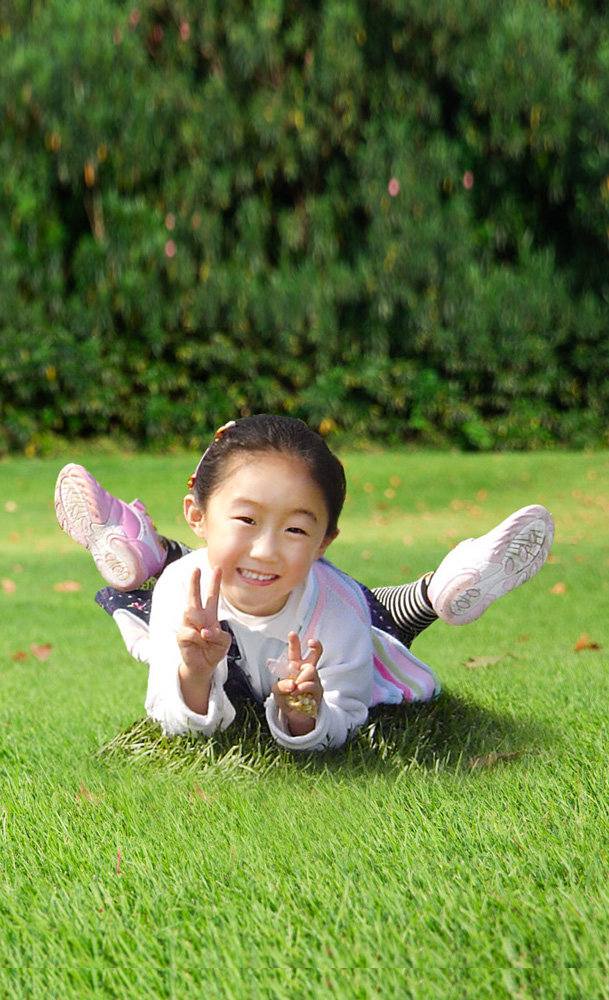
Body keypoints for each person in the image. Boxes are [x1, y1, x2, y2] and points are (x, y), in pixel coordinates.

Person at [55, 415, 554, 751]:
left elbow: (346, 717)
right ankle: (435, 588)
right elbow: (171, 721)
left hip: (348, 616)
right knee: (375, 611)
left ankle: (443, 587)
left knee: (380, 624)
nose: (266, 550)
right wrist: (193, 673)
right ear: (197, 515)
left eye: (295, 530)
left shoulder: (337, 615)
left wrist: (305, 715)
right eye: (246, 520)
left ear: (323, 542)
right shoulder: (179, 592)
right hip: (209, 598)